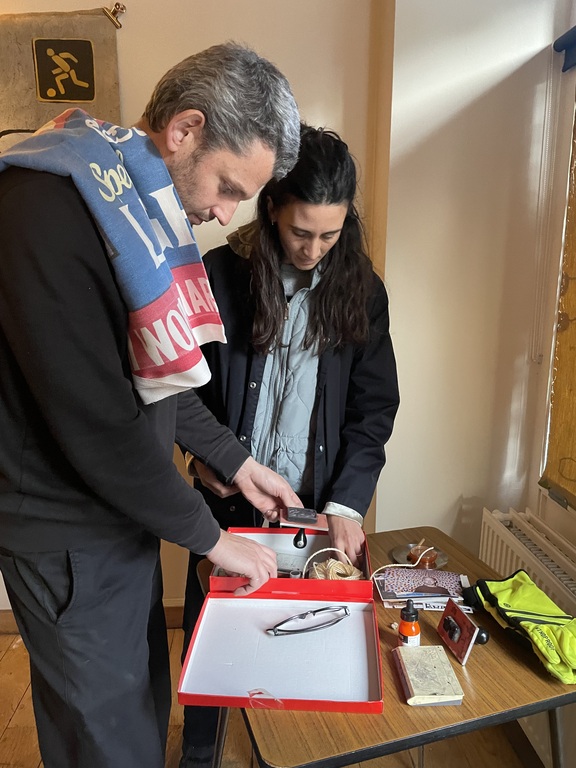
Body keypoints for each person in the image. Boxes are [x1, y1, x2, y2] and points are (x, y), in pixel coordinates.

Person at [0, 42, 302, 768]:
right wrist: (209, 537)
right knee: (105, 741)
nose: (224, 213)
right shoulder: (44, 211)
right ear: (185, 129)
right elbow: (100, 424)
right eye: (228, 187)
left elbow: (155, 380)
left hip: (121, 516)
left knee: (140, 710)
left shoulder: (129, 203)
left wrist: (236, 461)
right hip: (67, 534)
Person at [180, 124, 400, 767]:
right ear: (271, 206)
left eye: (329, 235)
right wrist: (207, 457)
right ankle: (200, 753)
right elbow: (179, 388)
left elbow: (373, 411)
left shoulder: (363, 292)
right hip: (226, 508)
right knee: (214, 650)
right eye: (301, 231)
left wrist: (349, 505)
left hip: (314, 517)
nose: (313, 249)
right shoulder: (220, 275)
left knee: (304, 655)